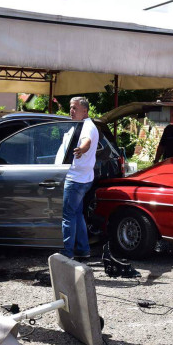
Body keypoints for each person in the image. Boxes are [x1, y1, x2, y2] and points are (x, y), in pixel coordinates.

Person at [59, 97, 99, 261]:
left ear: (85, 111)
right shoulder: (83, 125)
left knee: (68, 216)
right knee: (77, 214)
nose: (71, 111)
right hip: (83, 178)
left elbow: (87, 142)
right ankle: (83, 249)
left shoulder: (87, 127)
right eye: (70, 107)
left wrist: (81, 150)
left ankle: (68, 253)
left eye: (75, 108)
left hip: (76, 179)